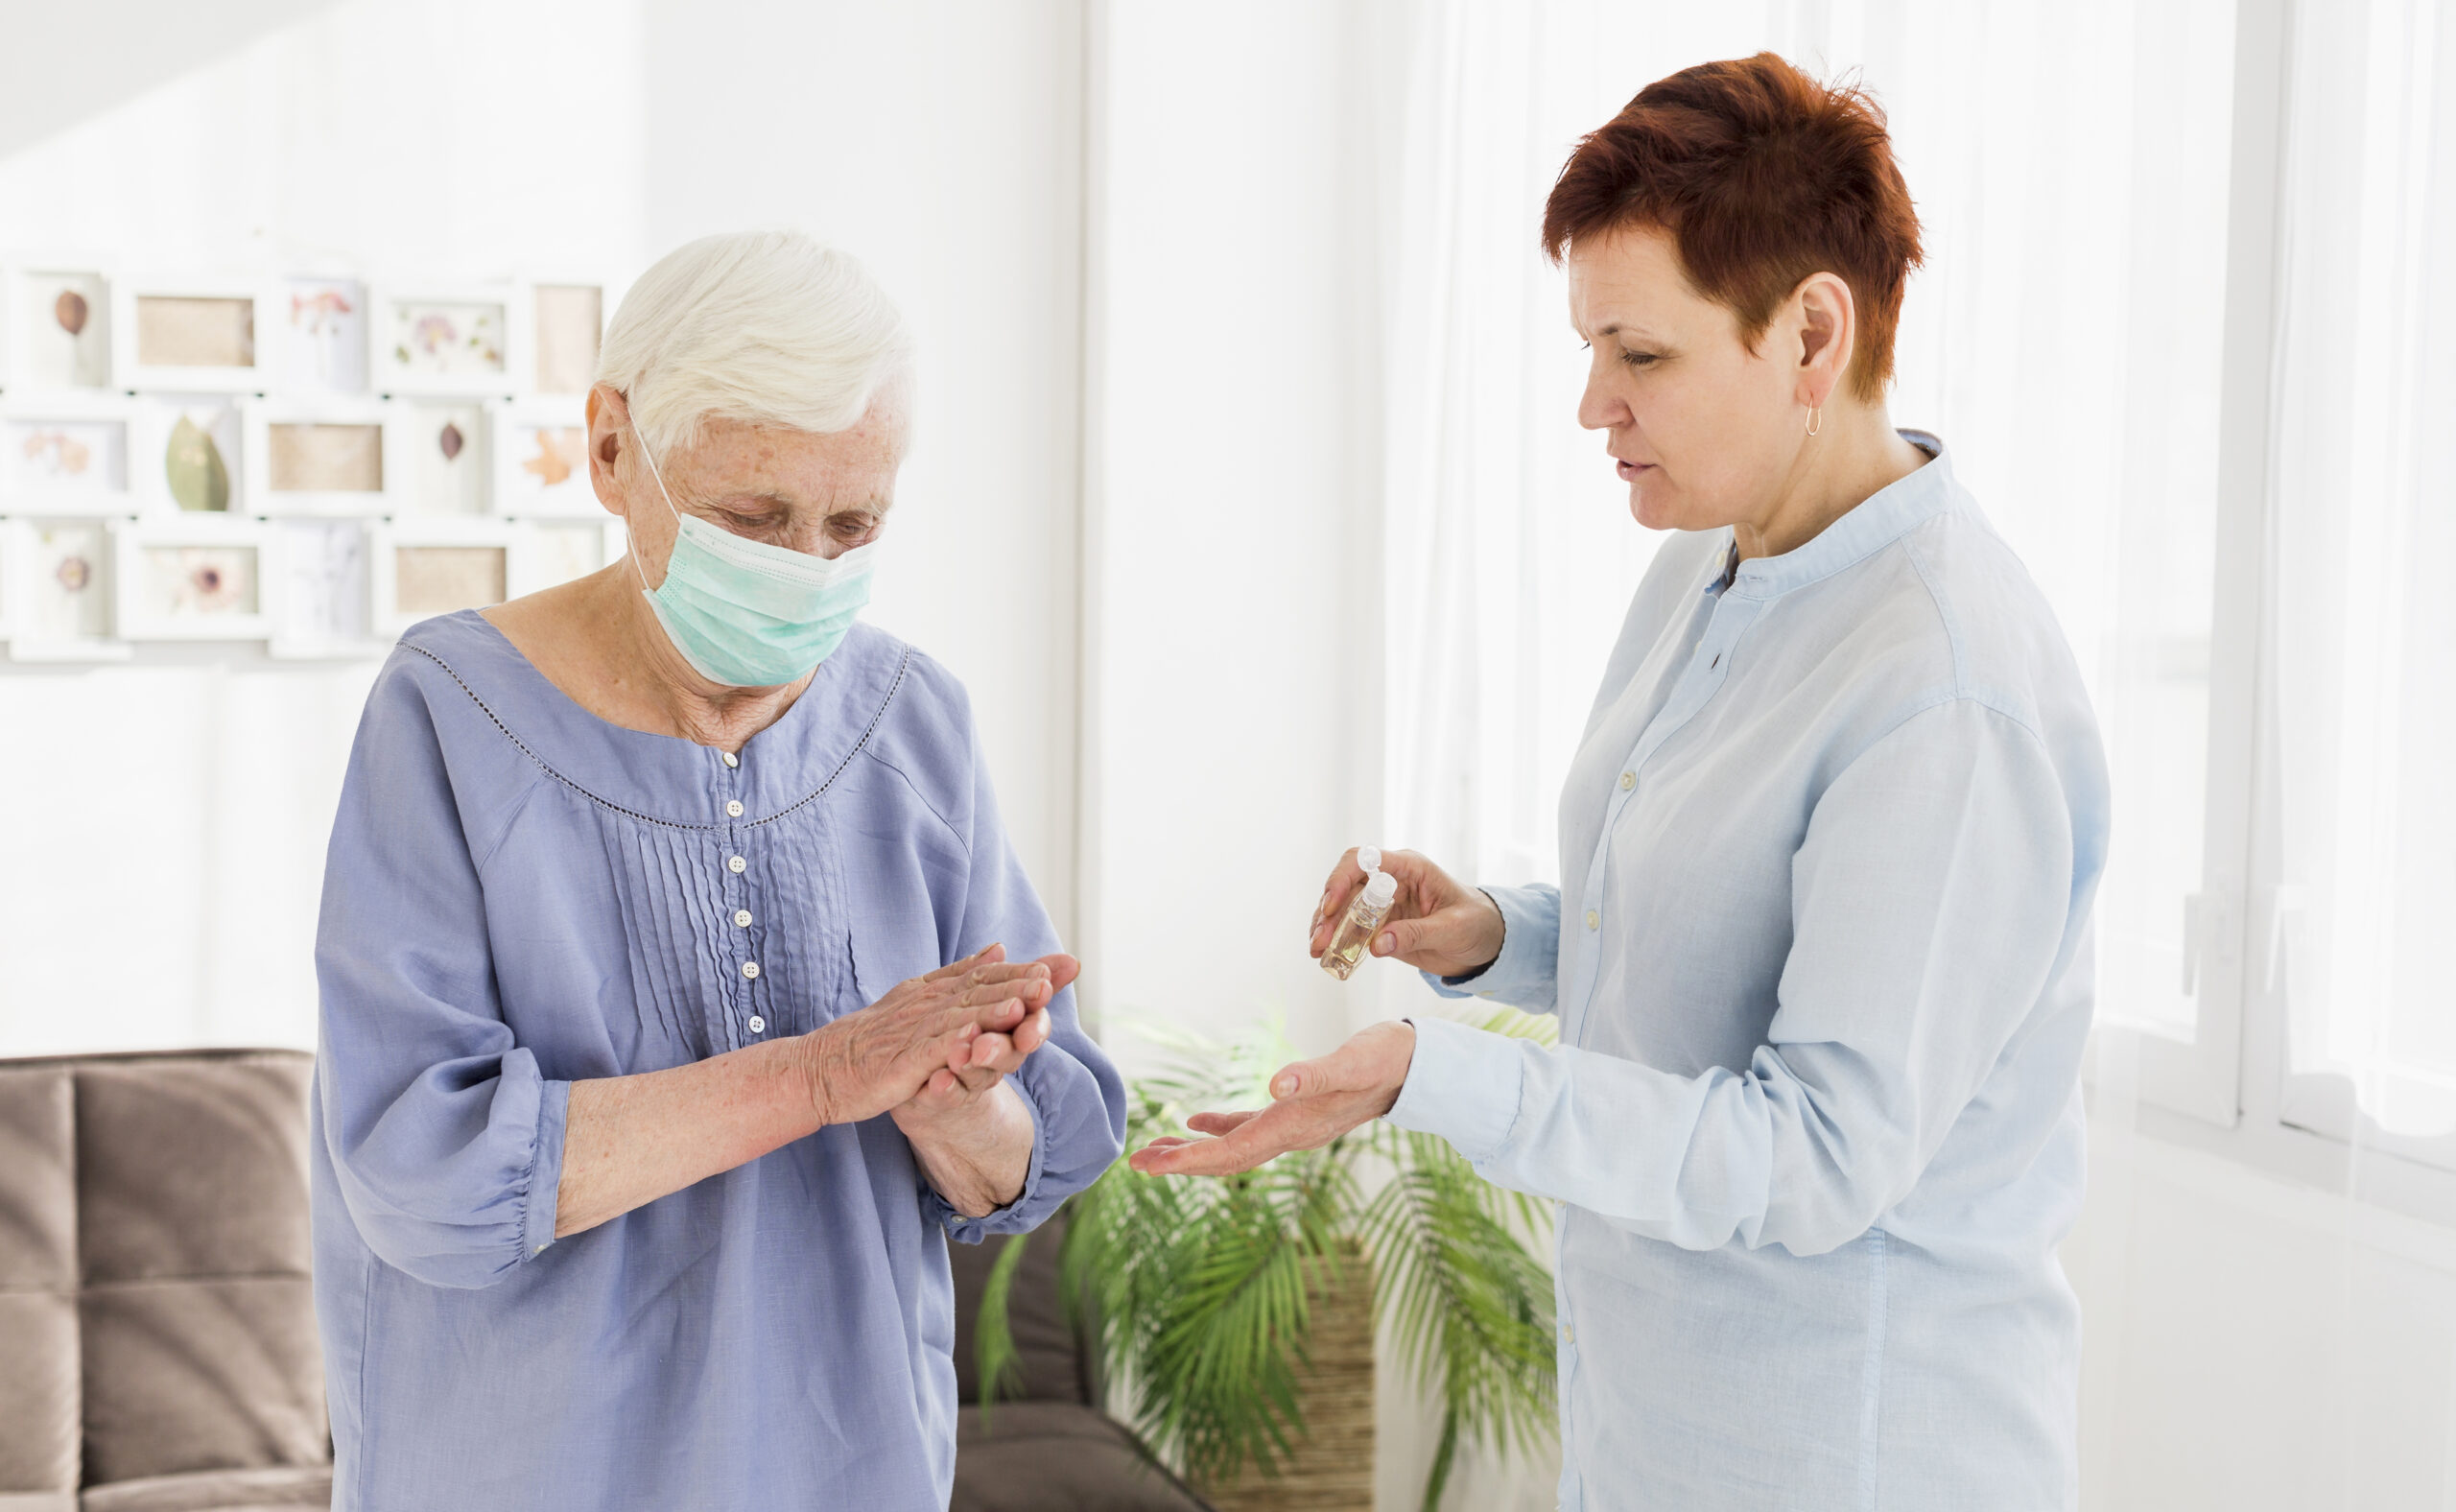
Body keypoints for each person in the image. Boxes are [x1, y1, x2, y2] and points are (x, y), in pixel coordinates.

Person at [1132, 54, 2108, 1512]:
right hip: (1659, 1438)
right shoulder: (1702, 570)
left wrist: (1435, 1077)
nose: (1594, 404)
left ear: (1810, 335)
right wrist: (1493, 937)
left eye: (1640, 355)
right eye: (1589, 348)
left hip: (1847, 1460)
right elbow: (1706, 935)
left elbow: (1818, 1153)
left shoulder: (1942, 691)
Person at [311, 229, 1124, 1510]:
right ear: (613, 447)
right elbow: (426, 1172)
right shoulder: (448, 715)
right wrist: (821, 1072)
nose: (807, 565)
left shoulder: (915, 722)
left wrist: (954, 1105)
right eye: (754, 517)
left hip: (849, 1468)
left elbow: (1033, 1158)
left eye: (853, 522)